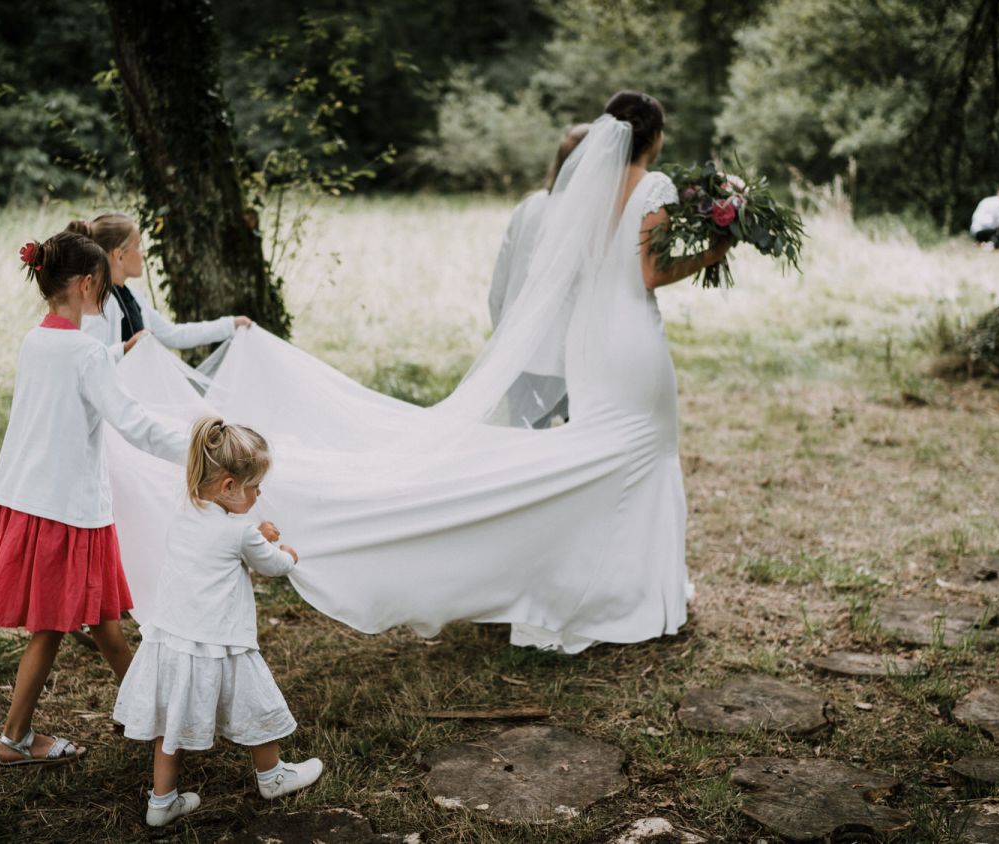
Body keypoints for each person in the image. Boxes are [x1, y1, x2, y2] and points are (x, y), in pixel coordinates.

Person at [106, 92, 731, 656]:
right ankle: (633, 595)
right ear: (655, 136)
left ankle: (609, 589)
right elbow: (649, 274)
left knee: (610, 456)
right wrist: (716, 247)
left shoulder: (576, 197)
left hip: (594, 345)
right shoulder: (656, 184)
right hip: (631, 339)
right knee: (642, 454)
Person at [0, 231, 192, 766]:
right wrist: (197, 444)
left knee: (106, 618)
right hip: (68, 509)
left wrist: (116, 351)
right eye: (107, 290)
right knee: (52, 626)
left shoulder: (36, 340)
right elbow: (133, 424)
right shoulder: (87, 353)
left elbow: (75, 370)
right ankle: (15, 737)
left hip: (28, 497)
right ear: (90, 284)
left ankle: (151, 714)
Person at [112, 416, 320, 827]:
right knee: (257, 706)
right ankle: (272, 775)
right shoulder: (241, 533)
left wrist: (253, 529)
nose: (260, 493)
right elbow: (273, 565)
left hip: (172, 641)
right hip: (222, 642)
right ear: (229, 486)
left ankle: (162, 800)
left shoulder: (186, 512)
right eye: (255, 486)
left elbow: (220, 538)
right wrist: (290, 553)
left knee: (169, 724)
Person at [489, 123, 590, 428]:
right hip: (572, 359)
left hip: (518, 353)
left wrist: (507, 336)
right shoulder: (593, 218)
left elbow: (499, 289)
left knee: (521, 446)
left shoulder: (527, 208)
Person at [70, 213, 251, 359]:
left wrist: (230, 325)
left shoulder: (134, 297)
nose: (143, 253)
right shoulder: (99, 305)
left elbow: (174, 334)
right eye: (138, 246)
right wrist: (125, 349)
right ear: (119, 256)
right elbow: (89, 360)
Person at [969, 185, 999, 249]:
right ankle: (990, 244)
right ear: (998, 193)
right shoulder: (988, 202)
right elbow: (977, 219)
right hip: (981, 230)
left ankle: (993, 244)